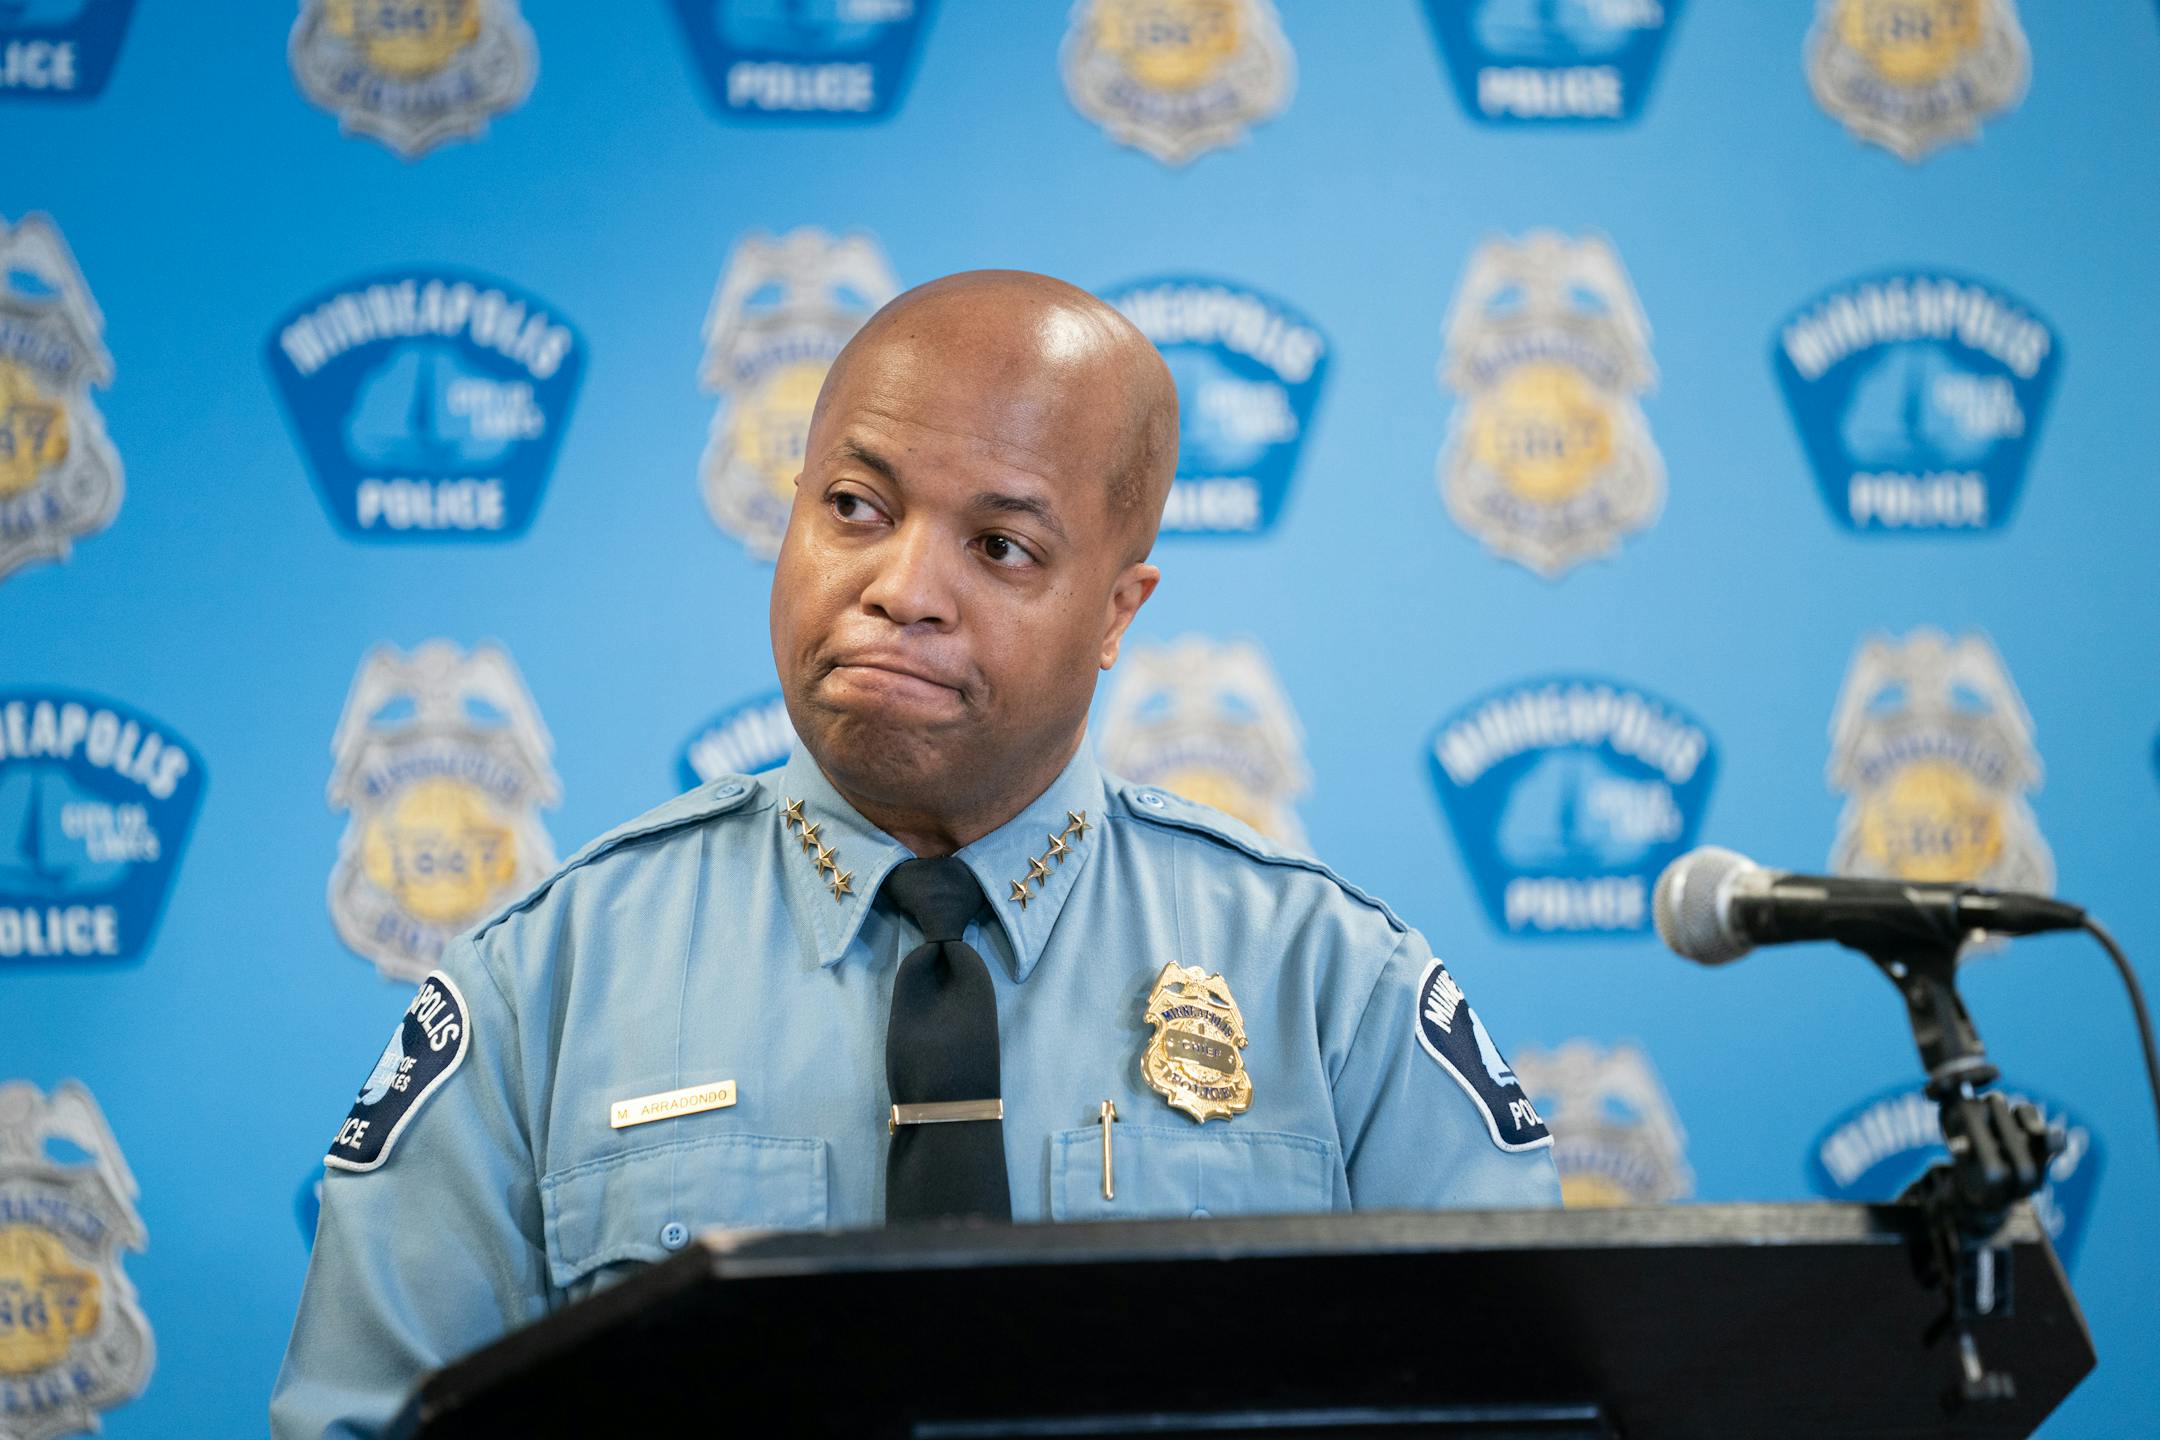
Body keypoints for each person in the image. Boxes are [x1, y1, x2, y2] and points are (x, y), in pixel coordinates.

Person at [270, 271, 1559, 1438]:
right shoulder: (540, 986)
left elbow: (1527, 1413)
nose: (902, 586)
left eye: (999, 546)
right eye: (854, 507)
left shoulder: (1334, 991)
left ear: (1119, 612)